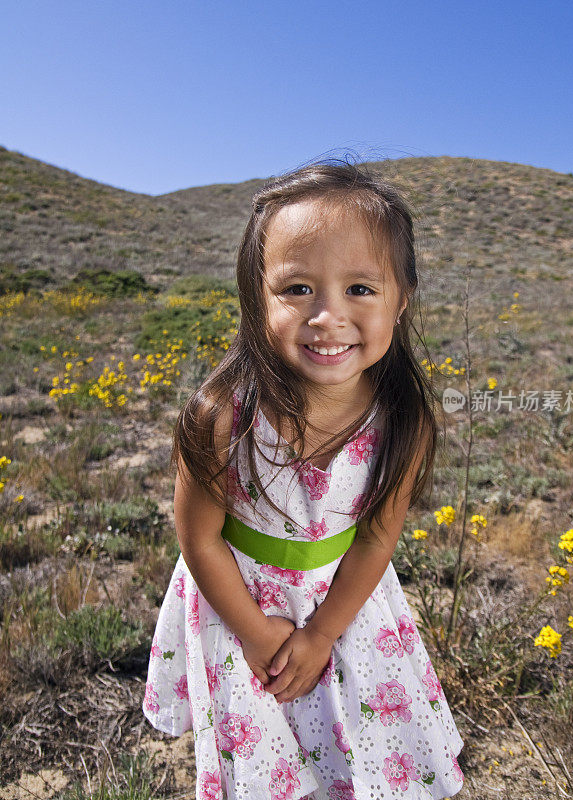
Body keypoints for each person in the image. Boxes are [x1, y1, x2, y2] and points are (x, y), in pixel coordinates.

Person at [143, 160, 465, 800]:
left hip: (346, 613)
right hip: (240, 614)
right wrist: (260, 634)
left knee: (360, 754)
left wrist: (321, 634)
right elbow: (200, 539)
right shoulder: (221, 416)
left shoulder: (402, 422)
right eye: (297, 289)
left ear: (401, 299)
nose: (328, 316)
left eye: (361, 290)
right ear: (256, 295)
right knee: (266, 764)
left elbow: (376, 541)